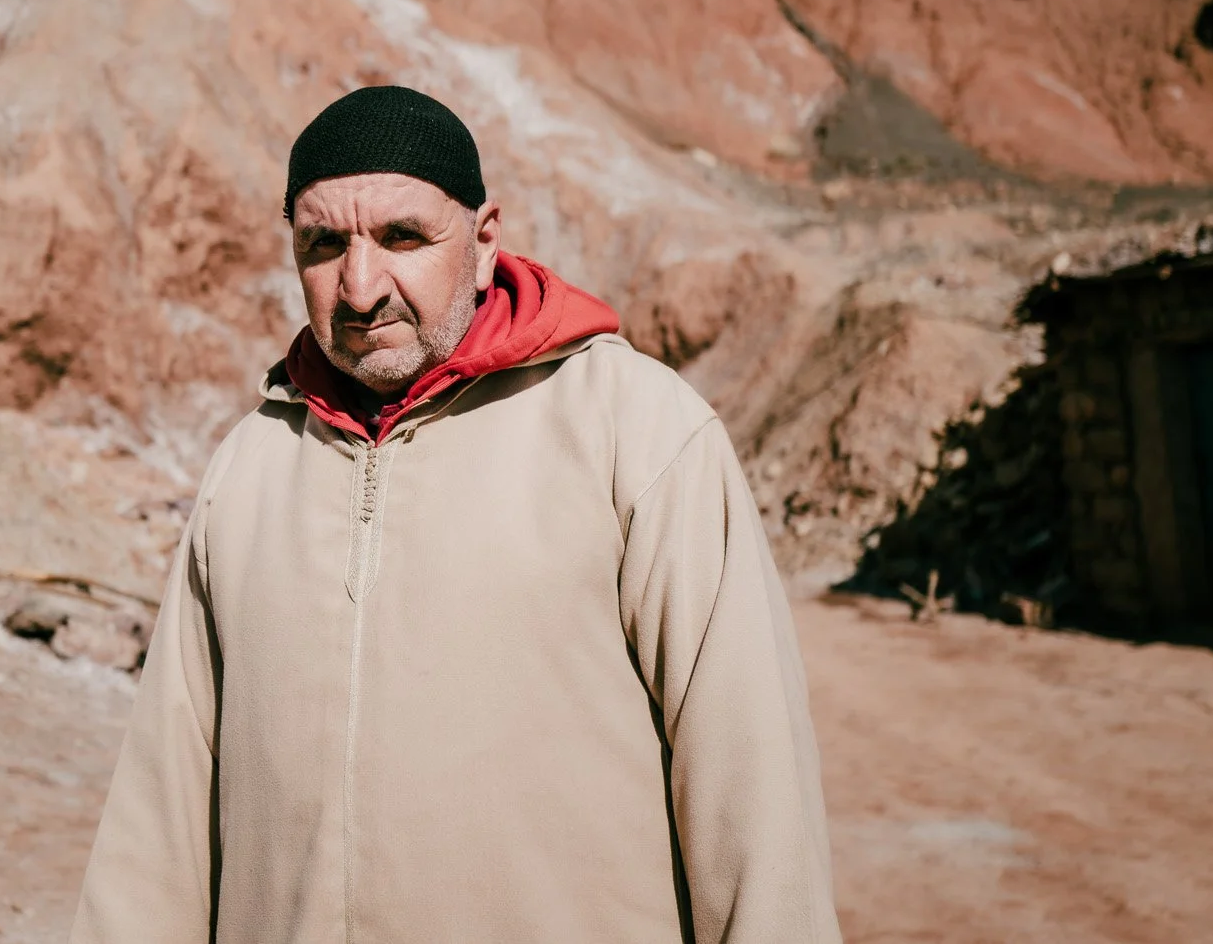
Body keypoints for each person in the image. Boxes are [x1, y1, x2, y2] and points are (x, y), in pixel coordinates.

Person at [71, 85, 839, 943]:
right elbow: (159, 823)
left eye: (403, 237)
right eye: (324, 244)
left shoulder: (640, 433)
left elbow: (756, 798)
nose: (361, 287)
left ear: (482, 244)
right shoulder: (248, 467)